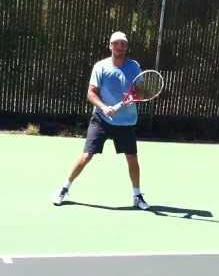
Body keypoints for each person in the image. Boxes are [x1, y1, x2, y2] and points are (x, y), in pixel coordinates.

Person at [54, 31, 148, 210]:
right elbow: (91, 93)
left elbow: (141, 92)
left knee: (132, 159)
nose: (120, 47)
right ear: (110, 46)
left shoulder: (134, 66)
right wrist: (104, 107)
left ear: (126, 47)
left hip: (126, 122)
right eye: (117, 44)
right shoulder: (101, 66)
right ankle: (64, 188)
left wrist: (133, 98)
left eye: (123, 44)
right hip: (101, 119)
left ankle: (137, 195)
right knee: (86, 156)